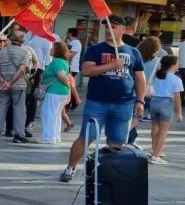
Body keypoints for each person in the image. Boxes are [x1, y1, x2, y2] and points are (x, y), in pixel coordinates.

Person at [60, 15, 146, 182]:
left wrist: (140, 100)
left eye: (113, 27)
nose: (108, 30)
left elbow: (140, 78)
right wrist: (111, 65)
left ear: (123, 29)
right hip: (98, 102)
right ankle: (70, 168)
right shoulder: (96, 49)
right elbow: (86, 71)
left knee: (117, 142)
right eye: (106, 27)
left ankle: (110, 173)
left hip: (124, 103)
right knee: (87, 137)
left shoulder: (133, 51)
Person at [0, 31, 31, 143]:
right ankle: (19, 135)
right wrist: (11, 82)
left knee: (0, 106)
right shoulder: (25, 52)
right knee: (19, 108)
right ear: (22, 40)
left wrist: (2, 80)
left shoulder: (2, 52)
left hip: (3, 84)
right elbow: (22, 70)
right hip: (18, 84)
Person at [148, 55, 183, 164]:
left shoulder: (157, 76)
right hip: (166, 104)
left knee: (155, 128)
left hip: (154, 102)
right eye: (177, 63)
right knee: (163, 132)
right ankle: (156, 156)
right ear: (172, 65)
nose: (178, 65)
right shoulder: (176, 79)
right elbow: (177, 97)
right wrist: (179, 113)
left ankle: (154, 150)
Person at [127, 36, 162, 146]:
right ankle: (124, 135)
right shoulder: (157, 62)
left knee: (130, 117)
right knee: (136, 118)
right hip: (145, 93)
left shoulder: (134, 57)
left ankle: (130, 138)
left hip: (130, 90)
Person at [39, 41, 72, 144]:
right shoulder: (63, 62)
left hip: (54, 91)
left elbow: (61, 75)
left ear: (57, 51)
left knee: (49, 114)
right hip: (61, 91)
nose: (50, 50)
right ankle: (55, 136)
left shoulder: (57, 62)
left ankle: (49, 137)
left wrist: (67, 84)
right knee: (56, 114)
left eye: (52, 48)